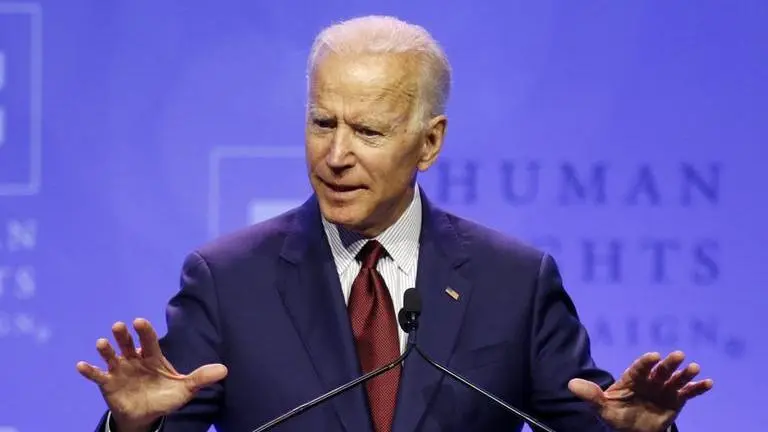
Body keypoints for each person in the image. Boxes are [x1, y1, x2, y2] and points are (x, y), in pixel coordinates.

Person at [77, 15, 713, 432]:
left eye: (368, 131)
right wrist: (133, 425)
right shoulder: (228, 280)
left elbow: (590, 419)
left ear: (429, 143)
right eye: (322, 123)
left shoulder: (513, 282)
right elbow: (168, 418)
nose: (336, 155)